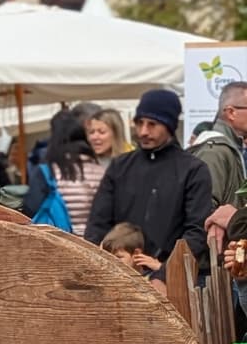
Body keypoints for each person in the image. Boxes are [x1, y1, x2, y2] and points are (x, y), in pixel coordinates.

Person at [84, 88, 213, 271]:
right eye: (139, 123)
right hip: (119, 276)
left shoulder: (193, 170)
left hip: (170, 279)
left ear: (169, 126)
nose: (143, 131)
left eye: (152, 124)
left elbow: (197, 231)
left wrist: (166, 273)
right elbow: (97, 224)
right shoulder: (120, 166)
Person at [191, 81, 247, 253]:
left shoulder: (229, 148)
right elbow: (204, 208)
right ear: (231, 112)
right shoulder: (214, 151)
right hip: (212, 264)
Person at [38, 110, 105, 236]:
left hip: (59, 240)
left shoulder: (49, 171)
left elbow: (32, 206)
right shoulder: (99, 170)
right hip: (93, 243)